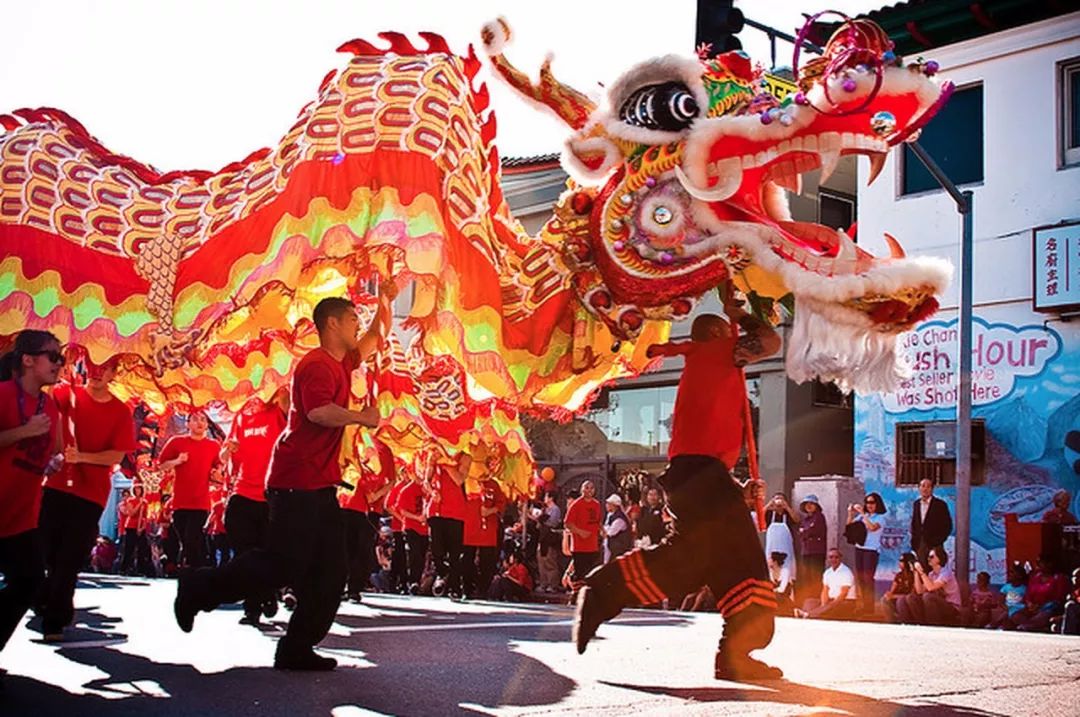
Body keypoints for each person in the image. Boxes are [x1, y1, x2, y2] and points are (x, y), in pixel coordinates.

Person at [174, 287, 393, 671]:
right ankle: (198, 587)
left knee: (331, 571)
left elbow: (374, 340)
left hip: (319, 485)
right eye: (353, 319)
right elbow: (319, 413)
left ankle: (296, 648)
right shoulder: (317, 365)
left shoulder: (342, 362)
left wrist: (388, 298)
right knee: (282, 565)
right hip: (296, 482)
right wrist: (361, 417)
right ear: (332, 324)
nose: (359, 326)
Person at [574, 297, 784, 681]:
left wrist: (735, 490)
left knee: (690, 564)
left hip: (696, 475)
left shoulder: (700, 363)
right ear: (720, 335)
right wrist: (741, 315)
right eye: (727, 329)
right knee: (744, 564)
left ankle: (607, 588)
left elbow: (700, 457)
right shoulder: (720, 352)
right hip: (702, 475)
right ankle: (736, 652)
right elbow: (771, 341)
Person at [36, 357, 135, 640]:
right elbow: (47, 401)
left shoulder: (120, 411)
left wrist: (83, 457)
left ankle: (54, 619)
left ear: (115, 373)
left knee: (70, 557)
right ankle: (50, 600)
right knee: (45, 551)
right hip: (55, 485)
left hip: (89, 494)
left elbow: (116, 455)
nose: (97, 373)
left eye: (105, 368)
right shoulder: (68, 393)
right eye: (92, 365)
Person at [0, 330, 63, 665]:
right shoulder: (2, 394)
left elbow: (53, 451)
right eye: (52, 356)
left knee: (29, 581)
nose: (59, 364)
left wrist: (52, 462)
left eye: (61, 358)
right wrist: (23, 432)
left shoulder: (50, 406)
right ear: (27, 359)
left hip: (21, 517)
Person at [221, 391, 287, 625]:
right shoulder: (240, 415)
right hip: (242, 492)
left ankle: (268, 593)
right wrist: (228, 450)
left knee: (267, 553)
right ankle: (252, 607)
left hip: (271, 494)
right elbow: (224, 454)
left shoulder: (277, 410)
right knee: (244, 553)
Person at [158, 410, 221, 569]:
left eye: (203, 420)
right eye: (195, 419)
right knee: (187, 542)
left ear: (207, 424)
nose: (200, 423)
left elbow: (219, 469)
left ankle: (195, 574)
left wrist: (217, 473)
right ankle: (195, 572)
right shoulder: (176, 442)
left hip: (201, 502)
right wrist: (177, 461)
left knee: (192, 539)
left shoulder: (213, 445)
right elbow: (161, 465)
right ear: (187, 424)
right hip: (180, 502)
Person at [425, 457, 468, 599]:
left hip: (455, 511)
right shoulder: (434, 453)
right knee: (436, 548)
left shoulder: (465, 456)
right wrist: (432, 492)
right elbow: (426, 480)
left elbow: (459, 480)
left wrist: (445, 463)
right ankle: (443, 572)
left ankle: (455, 587)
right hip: (435, 509)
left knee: (454, 553)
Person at [462, 475, 506, 599]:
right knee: (466, 561)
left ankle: (483, 590)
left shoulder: (493, 484)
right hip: (469, 529)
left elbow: (501, 503)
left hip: (488, 530)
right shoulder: (466, 481)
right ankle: (467, 589)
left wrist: (490, 510)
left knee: (487, 562)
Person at [896, 545, 962, 626]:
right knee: (907, 598)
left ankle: (932, 625)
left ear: (939, 558)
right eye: (928, 557)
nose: (928, 559)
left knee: (928, 597)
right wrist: (916, 572)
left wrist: (922, 572)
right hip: (937, 606)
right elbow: (920, 591)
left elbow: (931, 588)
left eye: (931, 557)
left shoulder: (946, 573)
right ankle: (913, 625)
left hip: (952, 607)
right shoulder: (931, 575)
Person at [846, 492, 886, 615]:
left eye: (872, 502)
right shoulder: (862, 517)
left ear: (877, 504)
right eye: (867, 502)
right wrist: (850, 514)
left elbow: (872, 527)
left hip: (871, 550)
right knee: (861, 578)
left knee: (868, 579)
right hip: (860, 548)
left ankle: (870, 607)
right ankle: (864, 605)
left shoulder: (880, 517)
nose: (869, 505)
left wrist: (863, 514)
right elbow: (849, 526)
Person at [1012, 554, 1068, 633]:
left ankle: (1028, 626)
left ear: (1049, 564)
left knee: (1044, 615)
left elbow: (1059, 598)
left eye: (1040, 562)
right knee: (1016, 615)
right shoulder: (1035, 577)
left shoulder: (1059, 578)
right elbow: (1028, 593)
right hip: (1032, 607)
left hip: (1048, 608)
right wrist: (1030, 604)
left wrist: (1040, 606)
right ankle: (1034, 626)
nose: (1038, 565)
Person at [796, 548, 856, 620]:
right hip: (831, 600)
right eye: (831, 557)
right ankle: (806, 613)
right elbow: (825, 590)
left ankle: (809, 614)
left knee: (830, 606)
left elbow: (844, 593)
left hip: (845, 602)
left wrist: (830, 604)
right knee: (809, 601)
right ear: (828, 559)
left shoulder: (846, 572)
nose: (833, 559)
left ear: (840, 558)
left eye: (836, 557)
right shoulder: (828, 572)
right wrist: (823, 604)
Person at [396, 470, 430, 595]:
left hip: (425, 529)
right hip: (411, 527)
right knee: (414, 554)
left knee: (421, 556)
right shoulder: (406, 490)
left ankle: (417, 581)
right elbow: (402, 511)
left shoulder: (427, 488)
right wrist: (417, 518)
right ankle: (412, 581)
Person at [564, 480, 602, 585]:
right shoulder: (576, 504)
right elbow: (567, 523)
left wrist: (602, 530)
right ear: (582, 490)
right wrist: (580, 532)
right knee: (579, 574)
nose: (589, 490)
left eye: (591, 488)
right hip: (579, 547)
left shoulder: (597, 504)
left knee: (591, 575)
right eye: (586, 488)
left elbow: (597, 521)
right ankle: (575, 596)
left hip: (593, 546)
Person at [910, 479, 952, 568]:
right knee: (922, 569)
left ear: (932, 489)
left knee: (935, 569)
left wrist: (939, 541)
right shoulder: (916, 504)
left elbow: (947, 525)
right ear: (919, 488)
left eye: (928, 486)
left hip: (935, 544)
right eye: (922, 486)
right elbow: (914, 523)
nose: (925, 489)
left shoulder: (940, 505)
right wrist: (914, 540)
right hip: (920, 543)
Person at [797, 494, 827, 604]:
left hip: (817, 551)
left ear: (816, 505)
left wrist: (804, 532)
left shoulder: (819, 517)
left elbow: (811, 531)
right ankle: (809, 600)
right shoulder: (805, 519)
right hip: (806, 551)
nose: (809, 506)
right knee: (807, 577)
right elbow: (801, 533)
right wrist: (805, 532)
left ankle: (817, 600)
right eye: (806, 504)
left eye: (811, 504)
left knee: (816, 576)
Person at [764, 493, 799, 584]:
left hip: (785, 547)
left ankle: (786, 585)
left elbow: (797, 520)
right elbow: (759, 517)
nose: (779, 501)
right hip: (772, 546)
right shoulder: (770, 514)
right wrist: (769, 505)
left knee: (786, 566)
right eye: (776, 499)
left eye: (781, 499)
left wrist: (786, 507)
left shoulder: (787, 513)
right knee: (770, 564)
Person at [118, 485, 151, 576]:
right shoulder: (130, 501)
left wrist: (142, 528)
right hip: (131, 526)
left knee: (142, 549)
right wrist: (139, 504)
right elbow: (131, 513)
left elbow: (145, 516)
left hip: (141, 526)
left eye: (139, 489)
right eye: (136, 489)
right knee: (129, 548)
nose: (138, 491)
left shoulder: (145, 502)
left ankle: (141, 570)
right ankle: (124, 569)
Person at [536, 490, 563, 592]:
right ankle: (544, 584)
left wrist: (544, 519)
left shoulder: (555, 509)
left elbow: (553, 523)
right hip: (542, 537)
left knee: (550, 561)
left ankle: (552, 584)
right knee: (541, 561)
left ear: (551, 498)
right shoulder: (545, 509)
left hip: (550, 538)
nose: (545, 498)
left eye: (547, 496)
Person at [990, 563, 1028, 629]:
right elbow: (1001, 601)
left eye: (1012, 573)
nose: (1010, 574)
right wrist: (1006, 607)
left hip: (1018, 609)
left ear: (1020, 576)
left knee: (1011, 613)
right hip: (1006, 608)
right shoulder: (1006, 587)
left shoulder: (1024, 589)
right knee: (1005, 613)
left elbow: (1025, 602)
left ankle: (995, 625)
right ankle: (996, 624)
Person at [882, 552, 917, 623]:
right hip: (897, 598)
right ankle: (891, 622)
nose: (899, 562)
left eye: (901, 561)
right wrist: (888, 594)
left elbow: (912, 594)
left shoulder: (914, 575)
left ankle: (905, 622)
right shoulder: (899, 575)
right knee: (884, 599)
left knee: (901, 600)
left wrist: (894, 596)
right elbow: (892, 590)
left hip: (907, 600)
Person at [602, 494, 632, 563]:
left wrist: (604, 531)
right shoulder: (610, 515)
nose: (606, 505)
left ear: (614, 505)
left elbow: (610, 533)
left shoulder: (619, 519)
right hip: (609, 546)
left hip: (618, 549)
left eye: (608, 504)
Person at [768, 552, 794, 616]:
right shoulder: (770, 573)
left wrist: (773, 591)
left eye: (769, 559)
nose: (767, 560)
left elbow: (782, 589)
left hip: (784, 598)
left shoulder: (785, 571)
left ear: (775, 562)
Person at [1057, 568, 1080, 635]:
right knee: (1056, 626)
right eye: (1074, 577)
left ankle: (1068, 633)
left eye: (1078, 577)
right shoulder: (1075, 591)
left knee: (1070, 605)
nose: (1075, 579)